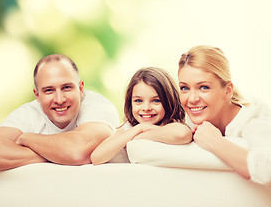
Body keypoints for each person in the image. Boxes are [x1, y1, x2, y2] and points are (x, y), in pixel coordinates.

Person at [0, 54, 119, 170]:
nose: (59, 99)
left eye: (66, 87)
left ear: (81, 89)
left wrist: (27, 138)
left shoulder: (99, 107)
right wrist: (58, 155)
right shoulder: (28, 113)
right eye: (49, 90)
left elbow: (78, 152)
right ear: (37, 95)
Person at [178, 45, 271, 185]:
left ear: (228, 90)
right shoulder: (188, 116)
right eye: (184, 88)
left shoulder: (254, 120)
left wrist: (214, 142)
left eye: (204, 87)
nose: (191, 99)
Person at [91, 67, 193, 165]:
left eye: (156, 100)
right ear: (130, 103)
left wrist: (142, 132)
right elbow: (96, 157)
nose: (146, 108)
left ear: (169, 101)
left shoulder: (172, 124)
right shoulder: (129, 128)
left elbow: (183, 134)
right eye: (138, 101)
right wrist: (139, 128)